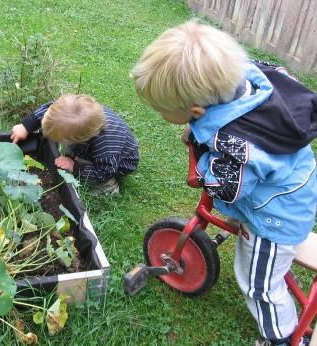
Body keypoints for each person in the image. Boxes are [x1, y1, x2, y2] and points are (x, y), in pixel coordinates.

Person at [131, 20, 317, 346]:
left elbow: (226, 187)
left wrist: (204, 163)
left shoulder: (239, 145)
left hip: (276, 218)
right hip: (289, 183)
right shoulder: (248, 79)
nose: (162, 115)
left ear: (197, 109)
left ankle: (285, 338)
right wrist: (199, 129)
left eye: (163, 111)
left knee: (259, 284)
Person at [10, 94, 139, 195]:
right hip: (93, 146)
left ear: (81, 141)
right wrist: (26, 126)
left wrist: (75, 166)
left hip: (118, 164)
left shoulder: (105, 147)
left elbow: (104, 171)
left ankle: (109, 187)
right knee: (70, 151)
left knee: (102, 174)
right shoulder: (70, 109)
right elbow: (50, 107)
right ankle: (75, 157)